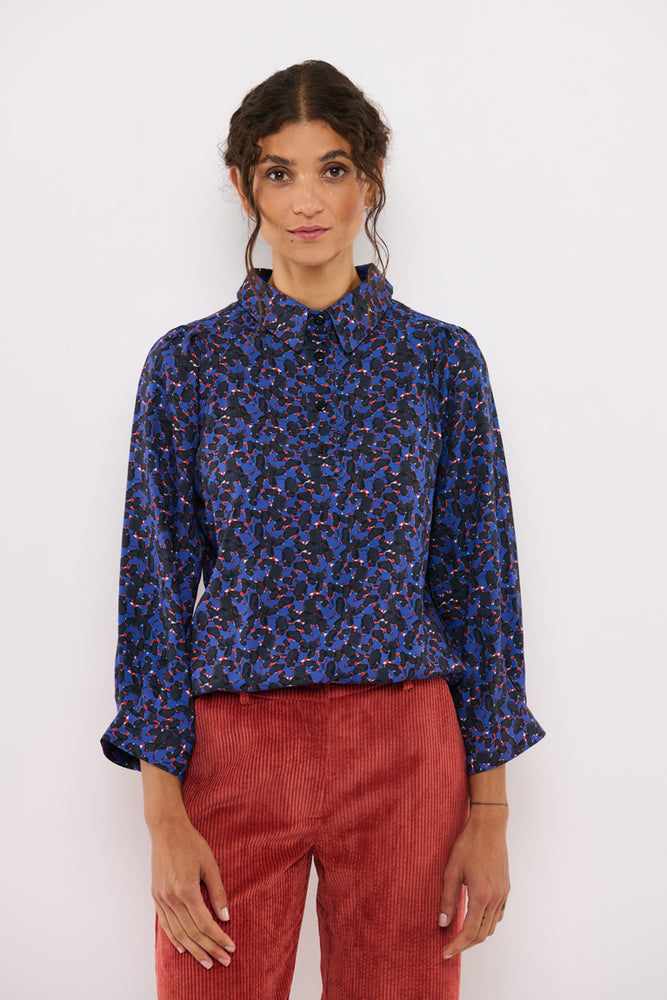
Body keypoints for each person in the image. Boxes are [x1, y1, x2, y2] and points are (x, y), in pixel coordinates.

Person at [101, 59, 546, 1000]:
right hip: (232, 749)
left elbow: (480, 586)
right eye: (279, 172)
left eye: (333, 169)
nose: (306, 200)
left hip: (405, 749)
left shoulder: (438, 362)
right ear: (243, 187)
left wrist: (491, 813)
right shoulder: (189, 366)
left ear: (371, 180)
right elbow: (154, 589)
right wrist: (162, 817)